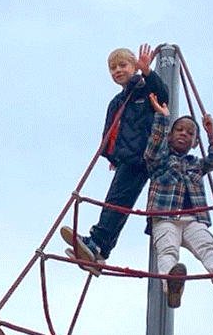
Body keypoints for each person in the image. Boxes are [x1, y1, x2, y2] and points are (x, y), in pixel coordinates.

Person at [61, 43, 169, 267]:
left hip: (142, 156)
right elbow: (111, 131)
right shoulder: (117, 102)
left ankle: (97, 242)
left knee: (116, 200)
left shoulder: (143, 89)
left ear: (134, 67)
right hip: (126, 158)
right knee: (120, 202)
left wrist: (147, 71)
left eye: (123, 65)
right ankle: (100, 251)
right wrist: (112, 156)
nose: (118, 70)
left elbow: (162, 93)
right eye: (113, 68)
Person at [144, 97, 213, 308]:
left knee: (207, 245)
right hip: (165, 216)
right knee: (168, 250)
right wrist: (162, 118)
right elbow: (152, 149)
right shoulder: (160, 160)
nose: (183, 134)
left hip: (193, 218)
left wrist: (211, 134)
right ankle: (171, 283)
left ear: (195, 143)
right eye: (179, 129)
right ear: (170, 137)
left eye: (190, 133)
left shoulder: (196, 165)